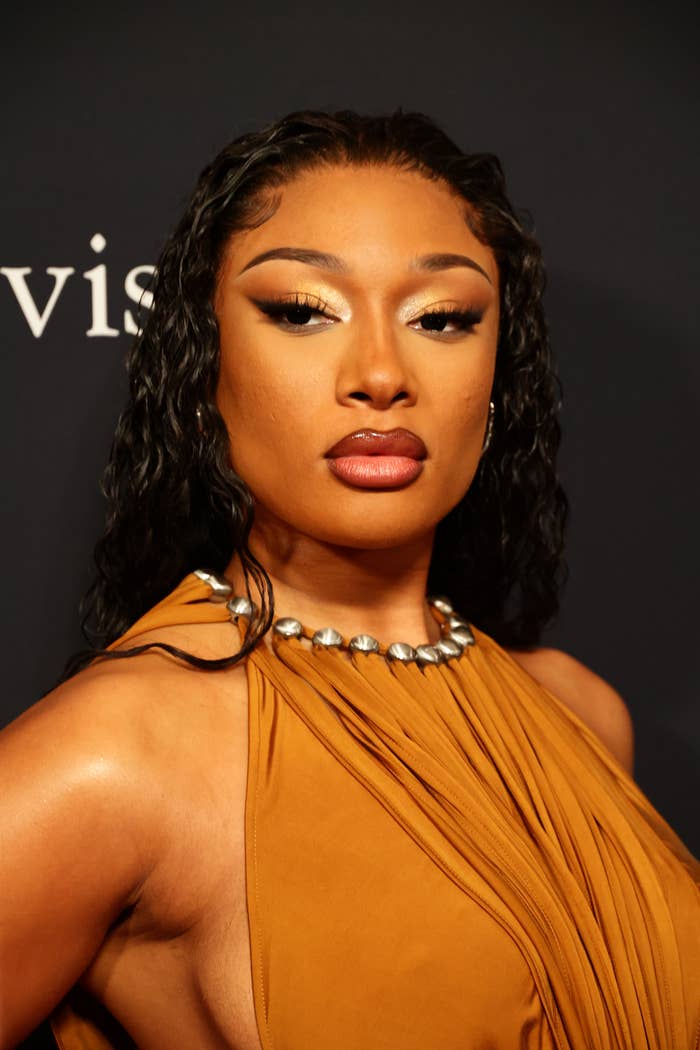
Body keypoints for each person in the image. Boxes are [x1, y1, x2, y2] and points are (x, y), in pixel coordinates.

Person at [2, 109, 698, 1050]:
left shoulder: (581, 713)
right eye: (302, 311)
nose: (380, 374)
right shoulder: (118, 756)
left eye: (441, 319)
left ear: (498, 378)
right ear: (203, 365)